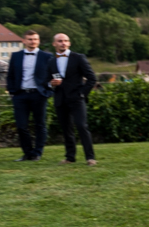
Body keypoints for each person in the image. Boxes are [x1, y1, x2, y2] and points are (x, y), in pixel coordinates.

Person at [7, 29, 54, 161]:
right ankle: (27, 153)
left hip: (39, 94)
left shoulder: (47, 56)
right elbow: (10, 75)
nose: (33, 41)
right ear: (24, 41)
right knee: (21, 126)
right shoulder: (16, 56)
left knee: (40, 125)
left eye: (35, 39)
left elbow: (54, 74)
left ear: (38, 41)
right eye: (30, 39)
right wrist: (12, 92)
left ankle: (37, 153)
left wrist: (49, 90)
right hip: (20, 95)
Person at [51, 33, 97, 165]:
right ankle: (70, 157)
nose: (63, 43)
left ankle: (90, 157)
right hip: (60, 99)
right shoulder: (51, 61)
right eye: (60, 41)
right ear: (54, 44)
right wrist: (51, 83)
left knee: (82, 126)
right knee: (66, 129)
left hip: (77, 99)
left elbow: (92, 78)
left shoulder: (78, 58)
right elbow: (45, 80)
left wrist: (82, 94)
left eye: (66, 41)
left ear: (69, 43)